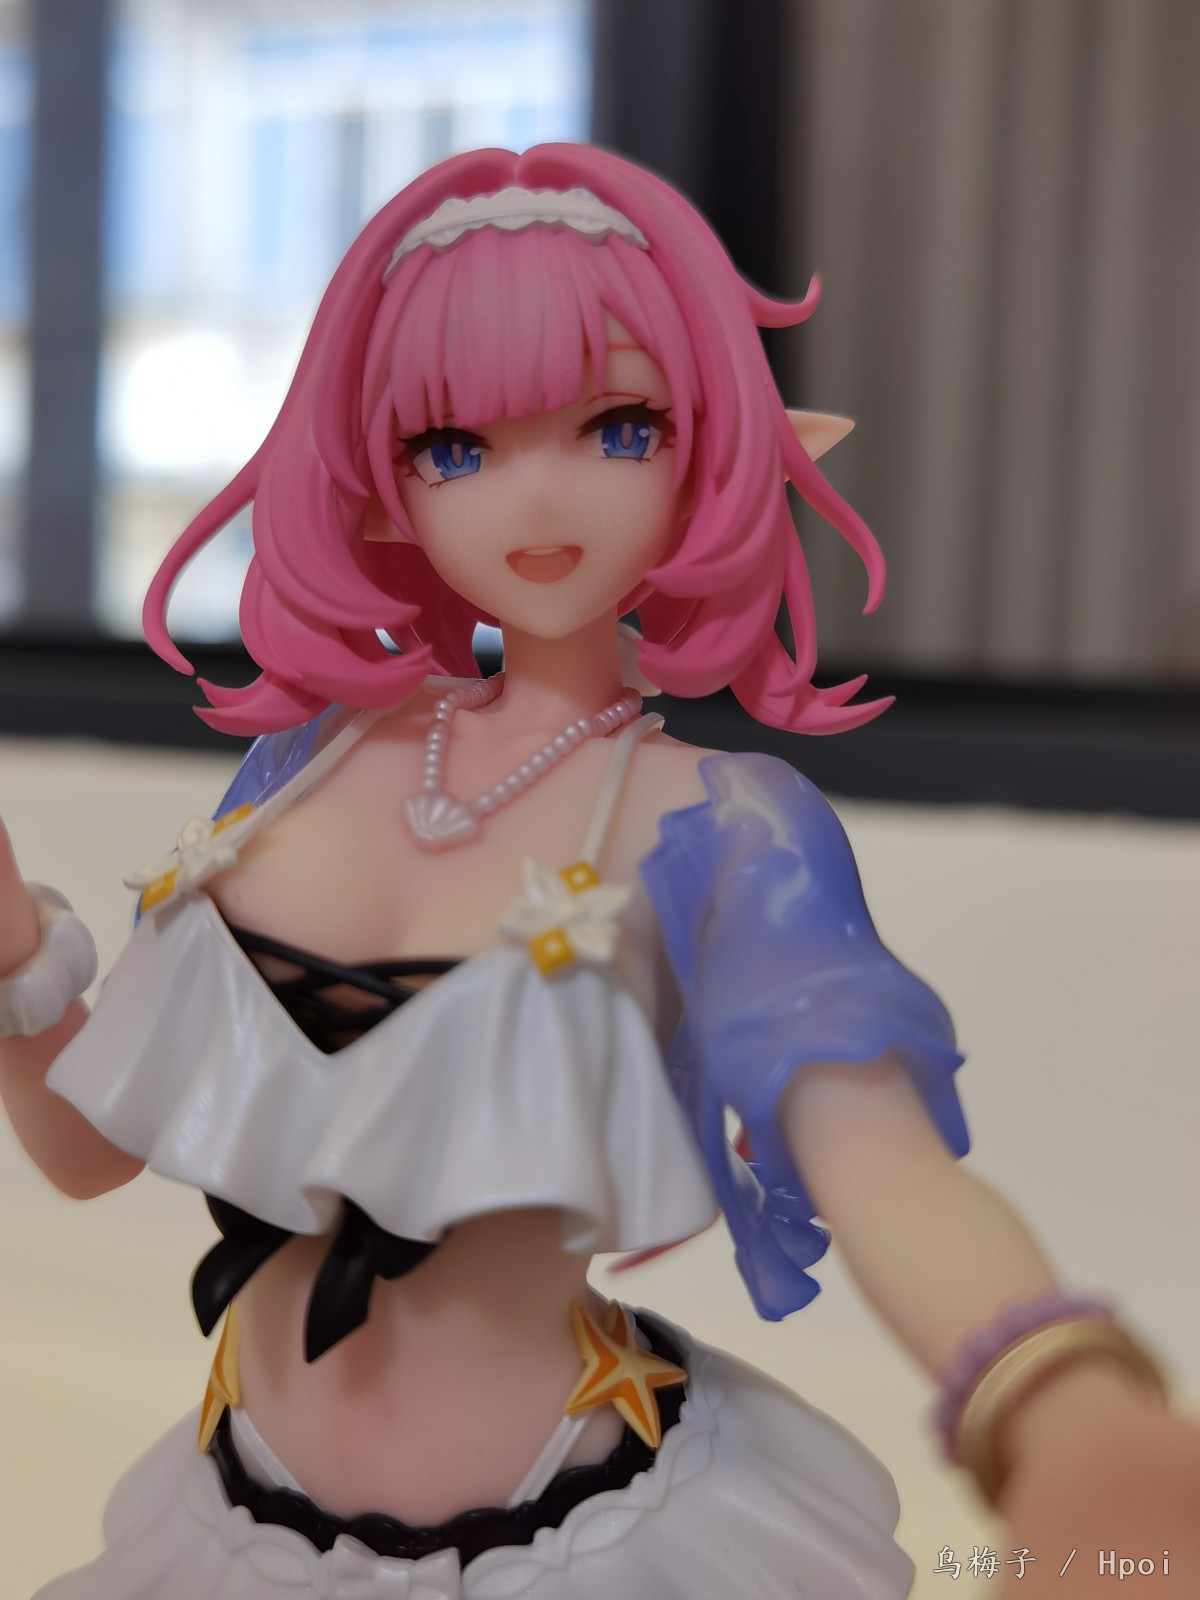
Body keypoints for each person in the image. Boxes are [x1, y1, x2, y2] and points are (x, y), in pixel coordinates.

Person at [1, 144, 1196, 1599]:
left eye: (617, 427)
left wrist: (1068, 1404)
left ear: (709, 447)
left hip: (578, 1543)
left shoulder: (720, 819)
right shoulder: (302, 766)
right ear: (381, 482)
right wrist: (11, 946)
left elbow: (873, 1152)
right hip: (236, 1528)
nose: (536, 499)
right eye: (457, 447)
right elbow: (88, 1153)